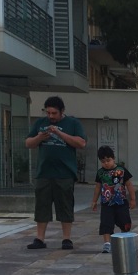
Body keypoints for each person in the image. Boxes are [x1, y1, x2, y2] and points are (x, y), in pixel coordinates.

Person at [25, 95, 86, 250]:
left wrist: (59, 133)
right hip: (44, 172)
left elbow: (81, 143)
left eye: (54, 113)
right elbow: (28, 143)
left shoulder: (72, 123)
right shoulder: (40, 123)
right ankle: (40, 238)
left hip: (64, 173)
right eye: (48, 113)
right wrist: (40, 137)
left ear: (62, 111)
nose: (51, 116)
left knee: (65, 206)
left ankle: (66, 238)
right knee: (42, 206)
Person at [91, 145, 136, 254]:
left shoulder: (121, 170)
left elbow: (129, 185)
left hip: (121, 203)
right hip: (106, 204)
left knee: (124, 221)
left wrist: (133, 199)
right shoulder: (100, 173)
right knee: (106, 223)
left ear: (113, 158)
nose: (106, 163)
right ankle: (107, 243)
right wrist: (94, 201)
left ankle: (125, 240)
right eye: (103, 161)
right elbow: (98, 187)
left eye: (108, 160)